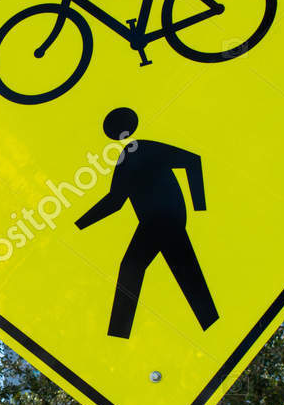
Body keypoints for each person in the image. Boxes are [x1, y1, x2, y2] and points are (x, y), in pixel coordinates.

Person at [75, 106, 218, 339]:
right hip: (160, 220)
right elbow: (115, 200)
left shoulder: (144, 148)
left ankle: (118, 334)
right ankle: (211, 323)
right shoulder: (127, 156)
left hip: (163, 218)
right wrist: (80, 224)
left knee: (135, 266)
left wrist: (199, 205)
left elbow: (192, 161)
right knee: (183, 269)